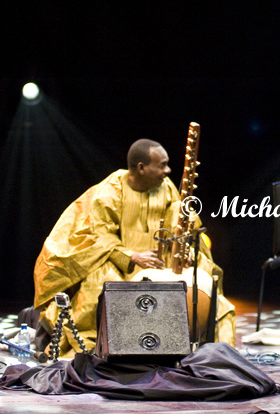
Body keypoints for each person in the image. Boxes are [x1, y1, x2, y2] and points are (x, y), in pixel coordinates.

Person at [33, 138, 236, 357]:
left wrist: (183, 251)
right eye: (161, 165)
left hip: (161, 261)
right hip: (122, 263)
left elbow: (179, 228)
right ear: (141, 168)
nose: (168, 171)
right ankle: (99, 349)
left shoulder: (167, 189)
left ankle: (218, 354)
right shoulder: (110, 191)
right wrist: (133, 256)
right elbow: (97, 236)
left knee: (203, 276)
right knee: (98, 284)